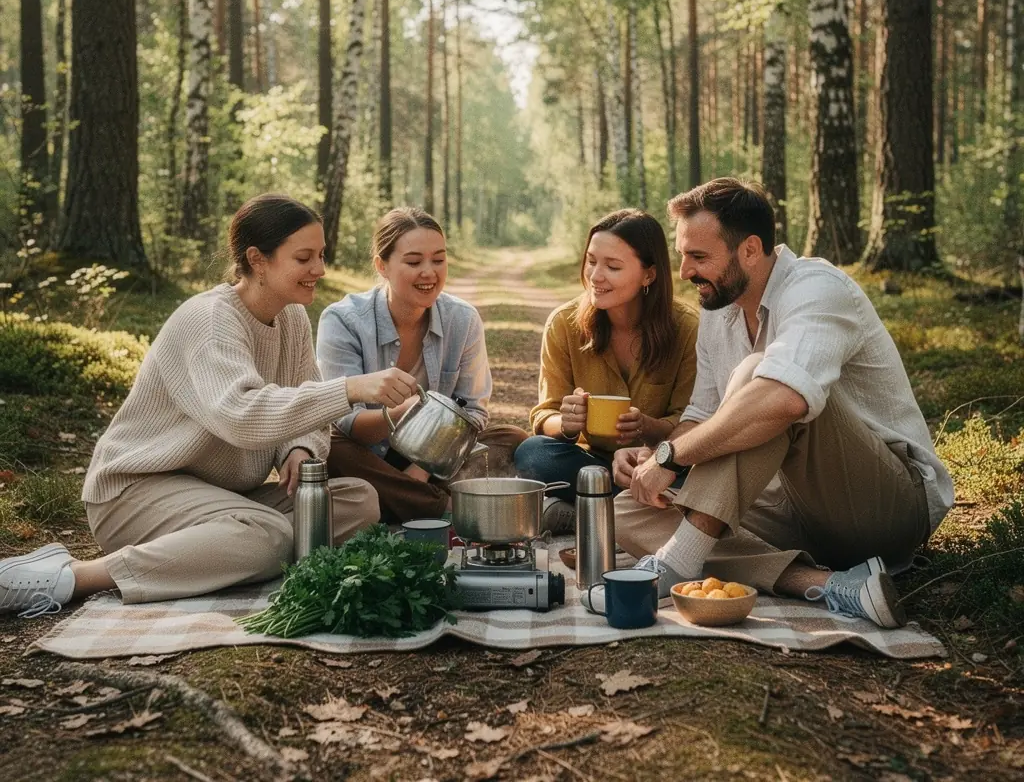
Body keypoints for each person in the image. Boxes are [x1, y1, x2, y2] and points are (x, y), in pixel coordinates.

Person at [0, 194, 419, 619]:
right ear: (258, 260)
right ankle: (73, 576)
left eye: (321, 255)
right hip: (135, 490)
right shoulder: (211, 321)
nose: (320, 270)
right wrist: (347, 389)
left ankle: (221, 553)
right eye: (304, 257)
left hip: (222, 495)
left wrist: (299, 448)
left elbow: (302, 399)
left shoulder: (290, 318)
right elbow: (241, 414)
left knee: (358, 501)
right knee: (269, 536)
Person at [614, 178, 954, 628]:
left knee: (763, 378)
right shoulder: (720, 311)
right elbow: (698, 418)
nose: (685, 272)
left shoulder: (817, 287)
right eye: (682, 256)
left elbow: (785, 399)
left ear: (750, 250)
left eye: (698, 257)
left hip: (882, 507)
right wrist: (652, 464)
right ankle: (828, 584)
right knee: (628, 509)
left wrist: (671, 456)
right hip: (789, 507)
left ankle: (678, 561)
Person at [317, 207, 525, 523]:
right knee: (328, 449)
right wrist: (402, 414)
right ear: (382, 265)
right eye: (414, 262)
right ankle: (446, 507)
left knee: (512, 439)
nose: (429, 272)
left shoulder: (463, 319)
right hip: (370, 455)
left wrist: (422, 469)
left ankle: (402, 501)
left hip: (438, 459)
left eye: (438, 260)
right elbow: (345, 420)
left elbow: (473, 411)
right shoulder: (343, 320)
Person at [514, 209, 699, 535]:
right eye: (591, 261)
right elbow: (544, 418)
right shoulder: (564, 324)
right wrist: (567, 424)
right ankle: (636, 515)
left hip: (658, 461)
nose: (596, 276)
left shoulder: (687, 328)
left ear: (649, 275)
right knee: (533, 454)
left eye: (612, 266)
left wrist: (647, 429)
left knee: (703, 473)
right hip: (592, 465)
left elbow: (692, 423)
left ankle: (589, 514)